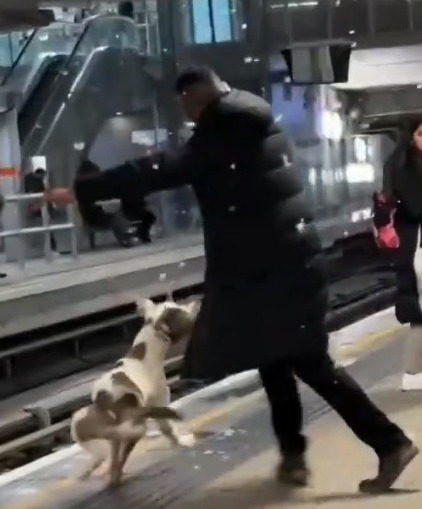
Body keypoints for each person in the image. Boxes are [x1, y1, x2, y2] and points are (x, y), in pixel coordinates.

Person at [44, 65, 418, 493]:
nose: (186, 115)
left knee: (312, 365)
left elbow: (161, 168)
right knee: (274, 361)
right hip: (278, 267)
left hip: (278, 274)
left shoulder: (225, 130)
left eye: (186, 105)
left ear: (196, 97)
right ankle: (293, 457)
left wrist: (84, 189)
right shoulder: (248, 121)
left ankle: (390, 443)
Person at [373, 120, 422, 392]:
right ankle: (413, 371)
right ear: (411, 136)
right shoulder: (404, 166)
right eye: (421, 133)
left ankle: (414, 371)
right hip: (415, 245)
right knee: (419, 311)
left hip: (413, 244)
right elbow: (414, 205)